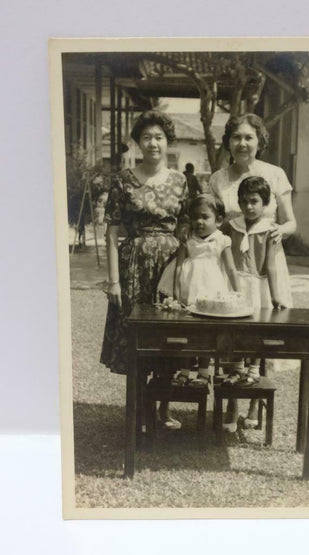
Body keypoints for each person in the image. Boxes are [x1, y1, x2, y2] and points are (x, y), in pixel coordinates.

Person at [100, 110, 188, 430]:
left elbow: (188, 230)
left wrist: (187, 274)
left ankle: (163, 408)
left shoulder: (180, 181)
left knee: (168, 335)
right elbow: (111, 234)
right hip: (132, 265)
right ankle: (136, 410)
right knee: (136, 336)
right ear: (138, 143)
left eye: (159, 137)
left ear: (168, 142)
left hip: (169, 267)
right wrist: (113, 282)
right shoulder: (123, 181)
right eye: (147, 137)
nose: (153, 143)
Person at [209, 113, 297, 430]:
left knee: (265, 337)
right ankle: (231, 406)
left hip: (266, 264)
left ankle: (257, 407)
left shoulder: (275, 174)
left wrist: (280, 232)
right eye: (236, 137)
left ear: (259, 141)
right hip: (230, 268)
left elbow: (291, 221)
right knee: (230, 336)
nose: (242, 143)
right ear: (228, 142)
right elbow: (214, 221)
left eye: (249, 137)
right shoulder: (218, 179)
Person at [221, 176, 283, 398]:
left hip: (257, 286)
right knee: (235, 329)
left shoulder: (270, 230)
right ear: (239, 202)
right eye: (245, 201)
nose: (249, 206)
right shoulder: (231, 226)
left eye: (254, 201)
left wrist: (276, 297)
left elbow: (272, 266)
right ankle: (236, 368)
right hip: (234, 285)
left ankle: (254, 369)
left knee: (256, 329)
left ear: (264, 203)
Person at [171, 194, 241, 387]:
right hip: (189, 289)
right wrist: (177, 293)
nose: (199, 222)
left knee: (206, 333)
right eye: (195, 217)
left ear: (218, 220)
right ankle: (184, 370)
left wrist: (237, 293)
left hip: (211, 290)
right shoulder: (187, 240)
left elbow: (231, 269)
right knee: (187, 332)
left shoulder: (222, 240)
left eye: (205, 217)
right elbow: (178, 267)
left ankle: (203, 373)